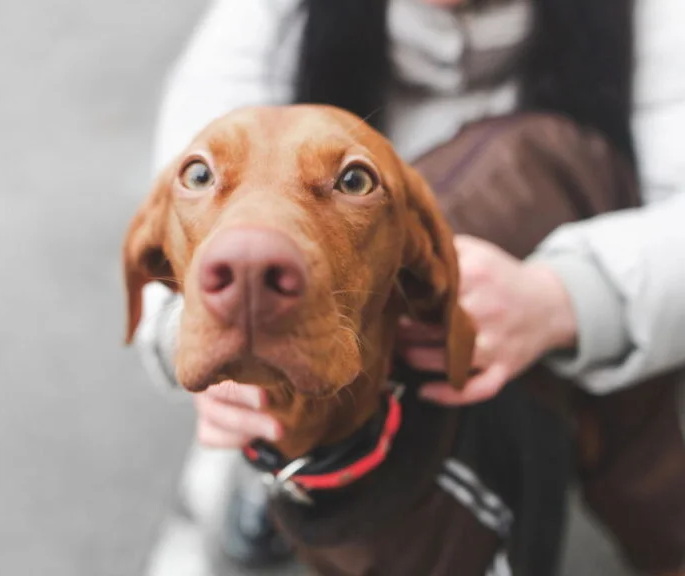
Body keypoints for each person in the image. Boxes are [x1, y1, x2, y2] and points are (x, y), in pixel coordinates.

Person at [134, 0, 685, 571]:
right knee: (271, 391)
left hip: (570, 232)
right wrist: (183, 328)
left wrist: (572, 296)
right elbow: (183, 190)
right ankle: (273, 466)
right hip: (325, 268)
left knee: (621, 450)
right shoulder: (268, 15)